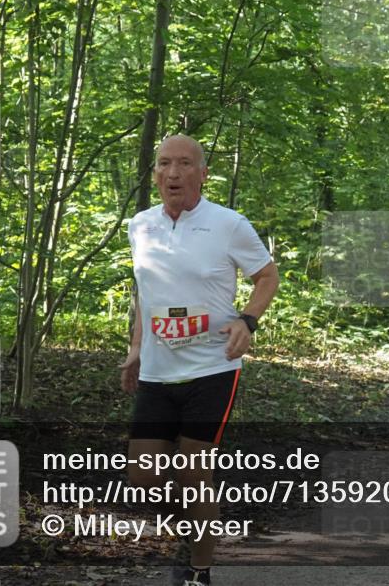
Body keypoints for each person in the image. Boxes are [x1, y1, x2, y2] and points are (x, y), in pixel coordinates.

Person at [119, 135, 279, 586]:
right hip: (156, 370)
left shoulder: (229, 224)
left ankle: (199, 571)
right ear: (154, 174)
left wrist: (247, 320)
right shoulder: (140, 225)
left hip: (212, 367)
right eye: (165, 164)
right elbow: (145, 296)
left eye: (185, 164)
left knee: (194, 471)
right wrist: (135, 348)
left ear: (203, 174)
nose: (173, 173)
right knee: (142, 478)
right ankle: (192, 530)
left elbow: (267, 276)